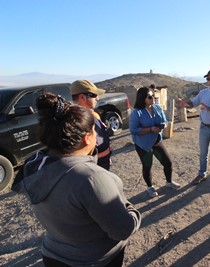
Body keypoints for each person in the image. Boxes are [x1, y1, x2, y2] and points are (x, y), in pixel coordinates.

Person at [11, 92, 141, 267]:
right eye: (95, 130)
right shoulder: (91, 179)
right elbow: (122, 230)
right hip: (94, 260)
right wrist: (130, 209)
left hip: (53, 254)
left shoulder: (34, 165)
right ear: (87, 138)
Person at [177, 69, 210, 187]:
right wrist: (185, 104)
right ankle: (202, 174)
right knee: (203, 153)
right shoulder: (203, 93)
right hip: (204, 127)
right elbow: (193, 103)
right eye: (208, 79)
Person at [129, 86, 180, 198]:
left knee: (168, 162)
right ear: (143, 98)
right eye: (150, 96)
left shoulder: (157, 108)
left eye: (154, 96)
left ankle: (169, 182)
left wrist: (164, 125)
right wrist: (150, 129)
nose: (153, 98)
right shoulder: (136, 113)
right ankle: (150, 187)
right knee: (147, 166)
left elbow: (164, 121)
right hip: (143, 145)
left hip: (156, 141)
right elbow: (133, 130)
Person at [71, 80, 112, 170]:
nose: (97, 98)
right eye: (94, 95)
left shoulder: (93, 114)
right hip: (94, 168)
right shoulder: (76, 122)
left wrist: (107, 155)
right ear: (82, 97)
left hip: (103, 163)